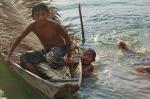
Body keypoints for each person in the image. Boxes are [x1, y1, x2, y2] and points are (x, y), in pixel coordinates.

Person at [5, 3, 72, 77]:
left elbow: (67, 39)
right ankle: (39, 76)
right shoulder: (32, 26)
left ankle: (65, 63)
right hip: (46, 51)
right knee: (24, 57)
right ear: (33, 17)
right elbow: (20, 38)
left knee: (51, 58)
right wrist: (9, 55)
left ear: (48, 14)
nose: (41, 17)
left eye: (43, 14)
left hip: (60, 48)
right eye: (37, 15)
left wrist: (69, 56)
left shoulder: (55, 25)